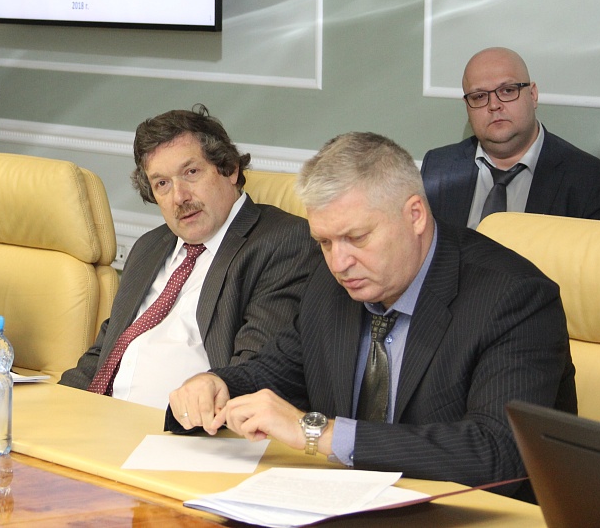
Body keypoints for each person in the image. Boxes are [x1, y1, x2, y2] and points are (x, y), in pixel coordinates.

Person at [168, 132, 576, 496]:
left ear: (415, 215)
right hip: (344, 505)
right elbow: (277, 371)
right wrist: (216, 384)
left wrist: (316, 433)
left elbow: (498, 452)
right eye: (325, 242)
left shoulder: (513, 297)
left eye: (356, 237)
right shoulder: (331, 284)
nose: (339, 263)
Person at [59, 105, 317, 409]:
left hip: (185, 427)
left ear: (230, 169)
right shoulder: (149, 247)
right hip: (101, 418)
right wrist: (56, 406)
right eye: (162, 184)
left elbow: (255, 372)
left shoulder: (282, 242)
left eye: (191, 173)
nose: (179, 197)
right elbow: (104, 354)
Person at [420, 47, 600, 229]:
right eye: (479, 96)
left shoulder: (591, 181)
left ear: (533, 95)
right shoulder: (438, 168)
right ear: (467, 106)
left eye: (508, 91)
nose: (494, 105)